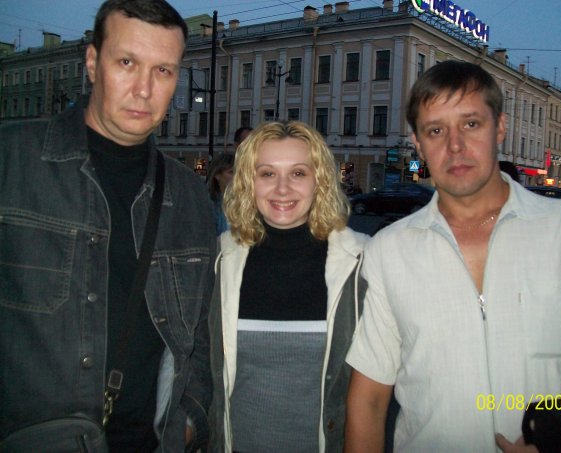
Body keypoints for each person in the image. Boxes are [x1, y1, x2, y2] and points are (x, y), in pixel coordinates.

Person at [344, 61, 561, 453]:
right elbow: (369, 398)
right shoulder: (390, 248)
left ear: (499, 127)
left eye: (470, 124)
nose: (455, 145)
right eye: (436, 130)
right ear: (418, 143)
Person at [0, 1, 215, 451]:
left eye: (163, 71)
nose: (144, 89)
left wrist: (189, 420)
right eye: (127, 63)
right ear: (93, 63)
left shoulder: (189, 196)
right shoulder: (12, 162)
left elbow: (199, 335)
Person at [208, 121, 369, 452]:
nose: (282, 189)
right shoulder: (219, 260)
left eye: (298, 173)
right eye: (267, 173)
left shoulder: (362, 263)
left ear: (319, 180)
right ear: (248, 181)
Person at [208, 152, 235, 235]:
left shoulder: (247, 202)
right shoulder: (209, 204)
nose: (237, 176)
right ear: (217, 175)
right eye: (231, 172)